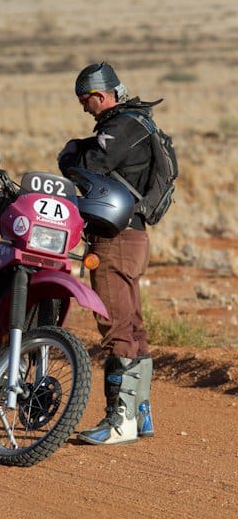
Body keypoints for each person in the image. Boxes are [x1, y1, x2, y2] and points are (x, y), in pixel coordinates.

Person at [58, 61, 159, 445]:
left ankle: (120, 421)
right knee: (133, 326)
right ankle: (140, 413)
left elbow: (88, 166)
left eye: (86, 101)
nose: (85, 108)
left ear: (101, 95)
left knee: (116, 328)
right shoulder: (140, 122)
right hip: (136, 237)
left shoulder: (121, 127)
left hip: (114, 241)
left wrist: (70, 154)